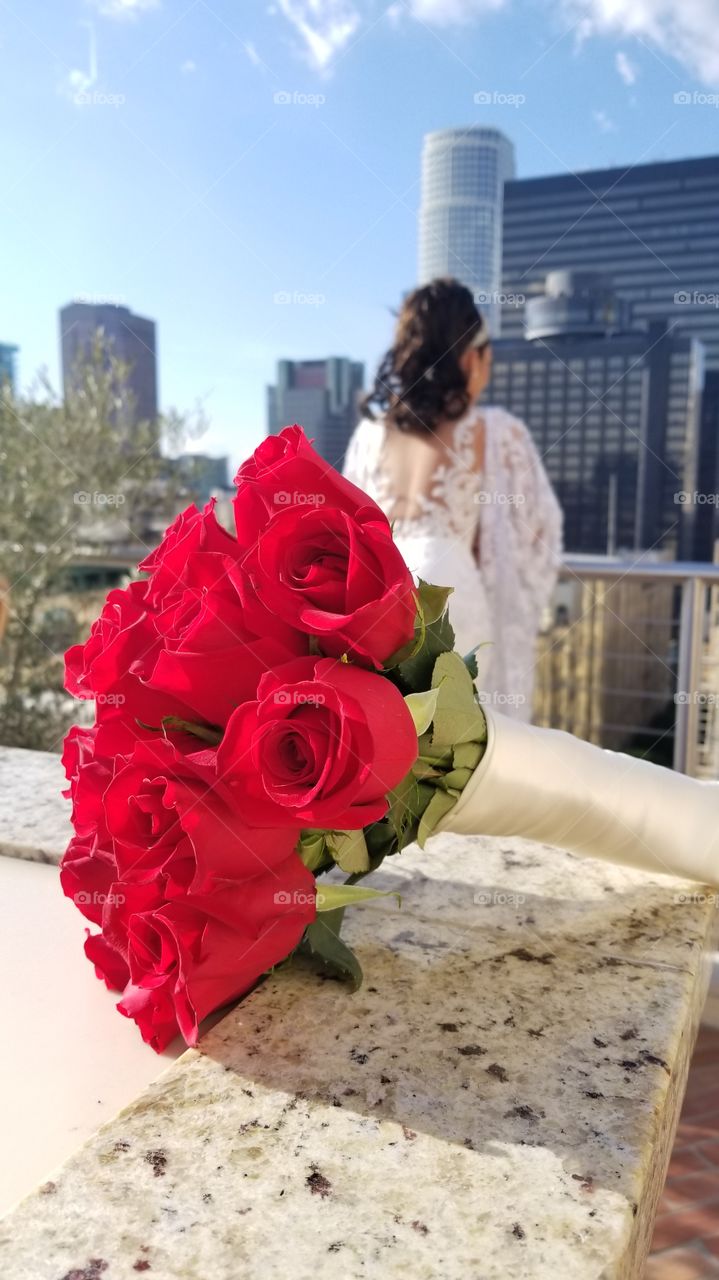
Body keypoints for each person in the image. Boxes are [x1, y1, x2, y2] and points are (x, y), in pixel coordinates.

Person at [343, 278, 562, 721]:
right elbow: (540, 536)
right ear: (471, 358)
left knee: (394, 737)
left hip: (381, 611)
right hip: (455, 600)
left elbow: (347, 528)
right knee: (463, 745)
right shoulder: (497, 433)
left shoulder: (368, 437)